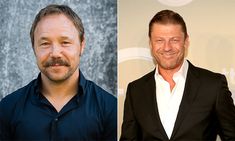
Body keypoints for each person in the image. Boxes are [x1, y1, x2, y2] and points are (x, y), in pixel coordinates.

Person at [0, 4, 117, 141]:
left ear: (82, 45)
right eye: (45, 43)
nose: (55, 53)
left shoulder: (110, 108)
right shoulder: (7, 108)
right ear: (34, 48)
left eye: (65, 42)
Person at [120, 9, 235, 141]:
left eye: (174, 40)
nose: (167, 47)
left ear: (186, 41)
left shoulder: (213, 85)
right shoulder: (136, 90)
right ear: (151, 44)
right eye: (159, 40)